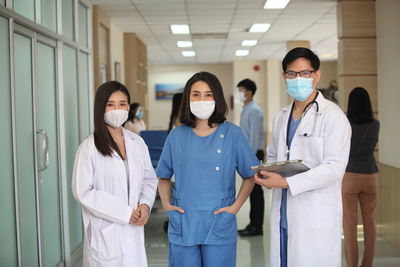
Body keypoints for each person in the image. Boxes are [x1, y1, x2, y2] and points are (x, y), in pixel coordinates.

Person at [254, 47, 351, 267]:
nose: (298, 79)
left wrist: (287, 182)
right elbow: (273, 154)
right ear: (284, 77)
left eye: (305, 73)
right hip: (283, 214)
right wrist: (267, 173)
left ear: (317, 75)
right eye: (292, 74)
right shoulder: (281, 116)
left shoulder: (333, 117)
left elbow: (334, 168)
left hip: (315, 215)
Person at [156, 71, 259, 267]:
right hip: (184, 221)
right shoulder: (176, 136)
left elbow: (250, 175)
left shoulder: (232, 134)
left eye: (208, 94)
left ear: (217, 98)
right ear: (187, 99)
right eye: (196, 94)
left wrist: (235, 208)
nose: (201, 99)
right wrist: (168, 206)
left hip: (219, 221)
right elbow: (163, 176)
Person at [72, 81, 158, 266]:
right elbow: (83, 191)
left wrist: (145, 204)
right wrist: (125, 213)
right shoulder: (89, 147)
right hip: (105, 234)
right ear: (100, 108)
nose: (117, 109)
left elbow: (149, 179)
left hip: (134, 229)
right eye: (110, 104)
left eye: (122, 104)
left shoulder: (137, 143)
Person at [342, 87, 380, 267]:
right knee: (370, 224)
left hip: (349, 177)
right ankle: (367, 264)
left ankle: (352, 264)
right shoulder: (375, 125)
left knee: (349, 225)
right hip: (370, 176)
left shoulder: (345, 124)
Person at [236, 78, 266, 237]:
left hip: (253, 154)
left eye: (240, 90)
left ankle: (257, 226)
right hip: (248, 153)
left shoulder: (254, 110)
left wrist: (250, 158)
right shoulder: (246, 108)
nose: (238, 94)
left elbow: (254, 138)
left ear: (248, 92)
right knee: (252, 190)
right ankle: (252, 224)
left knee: (255, 190)